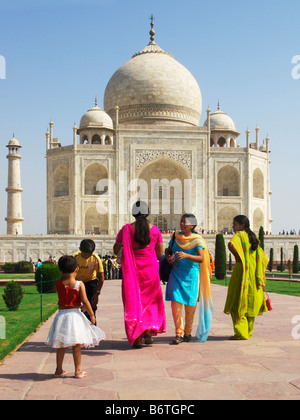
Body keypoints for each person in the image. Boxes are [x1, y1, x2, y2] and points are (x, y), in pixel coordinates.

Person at [113, 200, 166, 348]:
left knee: (134, 301)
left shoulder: (126, 230)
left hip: (132, 271)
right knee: (150, 302)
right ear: (147, 213)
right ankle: (148, 333)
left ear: (133, 214)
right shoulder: (155, 230)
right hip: (150, 272)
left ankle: (137, 337)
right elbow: (160, 254)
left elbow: (116, 250)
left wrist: (122, 244)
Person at [45, 256, 105, 378]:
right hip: (74, 316)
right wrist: (92, 315)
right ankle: (78, 371)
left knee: (61, 344)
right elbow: (85, 300)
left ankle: (58, 370)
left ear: (60, 271)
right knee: (76, 344)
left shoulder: (58, 283)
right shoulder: (79, 284)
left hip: (61, 315)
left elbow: (62, 292)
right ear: (77, 269)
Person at [165, 214, 213, 344]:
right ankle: (178, 333)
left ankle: (187, 332)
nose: (182, 224)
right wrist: (169, 257)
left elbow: (201, 258)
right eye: (181, 221)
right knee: (176, 304)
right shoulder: (176, 236)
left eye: (185, 222)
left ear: (192, 225)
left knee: (190, 306)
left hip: (191, 276)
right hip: (176, 273)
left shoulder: (197, 240)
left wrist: (186, 255)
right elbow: (168, 250)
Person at [224, 215, 269, 340]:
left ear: (242, 225)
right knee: (249, 304)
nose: (233, 227)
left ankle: (241, 333)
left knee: (237, 301)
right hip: (254, 275)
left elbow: (231, 244)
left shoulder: (240, 235)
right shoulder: (254, 238)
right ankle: (248, 332)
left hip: (242, 273)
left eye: (235, 224)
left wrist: (238, 257)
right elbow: (264, 258)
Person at [73, 239, 104, 324]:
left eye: (89, 254)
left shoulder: (95, 258)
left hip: (91, 282)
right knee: (77, 306)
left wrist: (97, 293)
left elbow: (101, 277)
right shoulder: (75, 257)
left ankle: (92, 326)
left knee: (91, 306)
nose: (87, 256)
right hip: (78, 283)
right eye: (85, 254)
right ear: (80, 249)